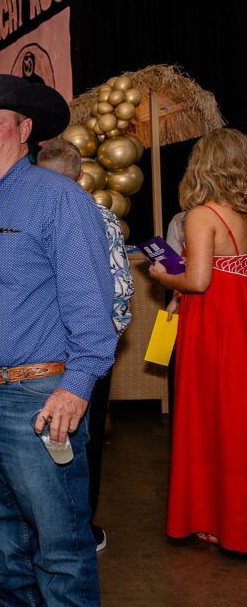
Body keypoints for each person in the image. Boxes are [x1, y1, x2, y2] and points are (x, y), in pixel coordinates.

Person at [0, 74, 116, 605]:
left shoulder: (56, 199)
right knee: (5, 548)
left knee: (60, 553)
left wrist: (77, 387)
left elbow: (90, 307)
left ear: (25, 129)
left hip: (35, 402)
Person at [147, 127, 247, 552]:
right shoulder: (241, 214)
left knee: (208, 419)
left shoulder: (201, 215)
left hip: (213, 327)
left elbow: (198, 281)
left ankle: (214, 520)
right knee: (234, 419)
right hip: (237, 321)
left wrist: (162, 274)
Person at [37, 139, 134, 553]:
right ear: (81, 177)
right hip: (88, 352)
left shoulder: (33, 216)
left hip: (41, 354)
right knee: (82, 442)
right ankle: (81, 529)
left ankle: (46, 531)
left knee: (44, 443)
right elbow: (121, 294)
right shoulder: (104, 218)